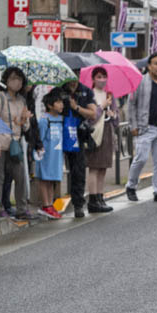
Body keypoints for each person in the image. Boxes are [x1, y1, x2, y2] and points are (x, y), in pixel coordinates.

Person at [125, 52, 157, 203]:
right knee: (141, 158)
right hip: (145, 127)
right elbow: (131, 104)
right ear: (149, 66)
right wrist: (132, 125)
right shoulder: (140, 81)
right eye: (156, 64)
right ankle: (131, 186)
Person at [0, 67, 31, 219]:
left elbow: (24, 127)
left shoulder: (22, 101)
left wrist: (26, 120)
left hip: (15, 145)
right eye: (13, 78)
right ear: (6, 80)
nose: (17, 82)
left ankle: (22, 209)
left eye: (19, 79)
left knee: (20, 177)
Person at [60, 77, 96, 218]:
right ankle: (51, 203)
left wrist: (76, 108)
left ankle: (78, 204)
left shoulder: (85, 91)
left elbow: (93, 113)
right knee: (55, 170)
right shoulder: (60, 90)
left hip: (78, 135)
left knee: (78, 171)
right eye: (70, 76)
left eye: (76, 76)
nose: (73, 81)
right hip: (60, 133)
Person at [83, 67, 117, 214]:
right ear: (93, 79)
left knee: (103, 167)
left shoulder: (110, 95)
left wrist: (113, 114)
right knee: (94, 167)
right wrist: (101, 107)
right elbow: (90, 117)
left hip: (107, 131)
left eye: (104, 76)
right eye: (98, 77)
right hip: (95, 133)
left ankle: (100, 196)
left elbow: (116, 119)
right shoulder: (89, 95)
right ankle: (92, 199)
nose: (102, 79)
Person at [35, 89, 67, 219]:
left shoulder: (60, 119)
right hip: (46, 156)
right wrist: (38, 153)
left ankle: (50, 204)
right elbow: (40, 139)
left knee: (52, 179)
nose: (61, 105)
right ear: (50, 105)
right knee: (44, 179)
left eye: (62, 102)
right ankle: (46, 205)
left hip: (57, 156)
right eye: (58, 102)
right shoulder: (44, 120)